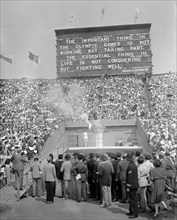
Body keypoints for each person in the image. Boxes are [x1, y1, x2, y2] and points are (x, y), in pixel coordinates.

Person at [126, 152, 139, 219]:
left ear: (128, 158)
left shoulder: (131, 165)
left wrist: (128, 186)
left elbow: (130, 177)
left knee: (133, 199)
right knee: (131, 199)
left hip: (132, 185)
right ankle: (131, 211)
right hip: (133, 184)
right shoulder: (132, 164)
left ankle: (134, 213)